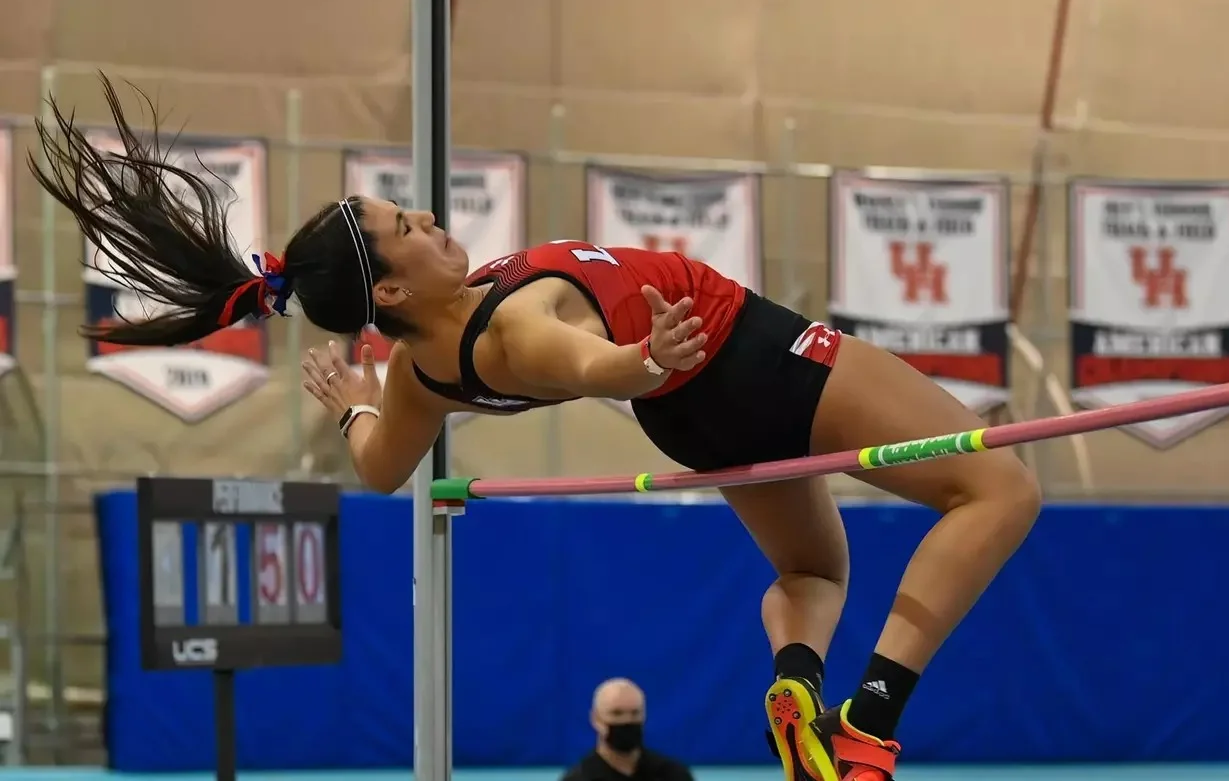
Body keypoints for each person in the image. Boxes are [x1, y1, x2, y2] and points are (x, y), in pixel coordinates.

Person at [31, 75, 1042, 781]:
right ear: (386, 283)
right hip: (746, 360)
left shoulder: (423, 372)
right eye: (408, 227)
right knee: (999, 487)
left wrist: (348, 403)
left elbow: (383, 469)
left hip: (689, 422)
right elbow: (573, 355)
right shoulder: (512, 321)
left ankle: (798, 685)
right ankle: (871, 720)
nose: (427, 217)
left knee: (813, 575)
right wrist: (633, 360)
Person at [562, 678, 693, 781]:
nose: (627, 721)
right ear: (596, 719)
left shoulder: (673, 775)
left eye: (635, 713)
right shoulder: (578, 778)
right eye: (616, 713)